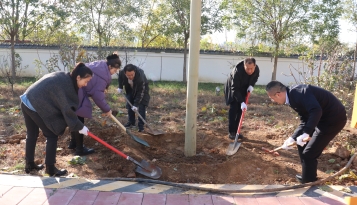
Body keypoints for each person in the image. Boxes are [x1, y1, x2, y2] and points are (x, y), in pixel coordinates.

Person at [265, 81, 347, 183]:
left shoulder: (299, 93)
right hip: (321, 118)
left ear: (278, 94)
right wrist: (293, 137)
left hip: (333, 120)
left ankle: (309, 182)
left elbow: (316, 111)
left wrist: (306, 132)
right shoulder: (292, 97)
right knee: (301, 144)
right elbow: (305, 119)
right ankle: (307, 176)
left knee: (309, 153)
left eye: (272, 98)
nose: (272, 100)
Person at [20, 63, 93, 177]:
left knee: (32, 134)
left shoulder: (65, 77)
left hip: (26, 99)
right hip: (34, 103)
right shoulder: (66, 85)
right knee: (52, 134)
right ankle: (50, 168)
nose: (86, 84)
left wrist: (79, 126)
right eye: (86, 81)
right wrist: (80, 127)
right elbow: (67, 110)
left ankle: (29, 164)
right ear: (78, 77)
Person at [68, 54, 121, 156]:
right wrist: (107, 109)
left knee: (75, 117)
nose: (113, 73)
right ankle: (79, 149)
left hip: (75, 89)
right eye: (114, 71)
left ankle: (73, 143)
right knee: (79, 118)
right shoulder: (103, 75)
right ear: (110, 67)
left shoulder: (99, 65)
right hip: (78, 91)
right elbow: (97, 96)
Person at [224, 57, 260, 140]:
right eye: (247, 68)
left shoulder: (256, 69)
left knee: (241, 111)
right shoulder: (237, 71)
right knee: (234, 109)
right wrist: (241, 102)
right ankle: (231, 132)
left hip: (243, 88)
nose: (250, 71)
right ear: (244, 66)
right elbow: (234, 88)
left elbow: (255, 77)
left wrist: (251, 85)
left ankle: (237, 131)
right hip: (232, 88)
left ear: (255, 66)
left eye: (252, 68)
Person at [117, 64, 150, 132]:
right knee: (129, 106)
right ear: (125, 73)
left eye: (132, 75)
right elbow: (120, 78)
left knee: (141, 107)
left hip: (142, 91)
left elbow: (141, 92)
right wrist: (120, 87)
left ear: (134, 71)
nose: (130, 77)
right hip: (130, 89)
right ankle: (131, 122)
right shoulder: (122, 73)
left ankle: (141, 126)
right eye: (128, 75)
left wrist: (136, 104)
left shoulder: (140, 77)